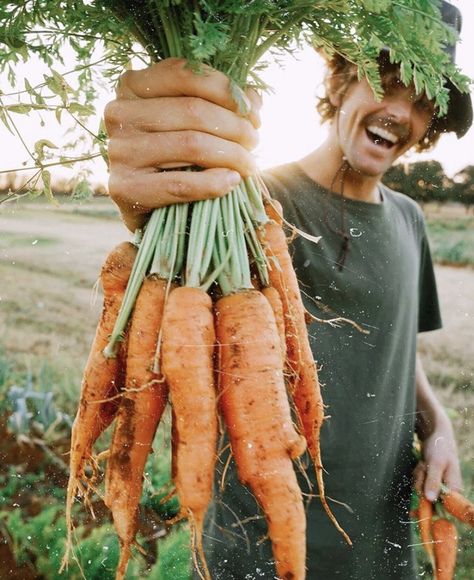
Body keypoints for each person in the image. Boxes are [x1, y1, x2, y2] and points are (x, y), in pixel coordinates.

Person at [104, 2, 472, 577]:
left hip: (383, 533)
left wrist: (439, 426)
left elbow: (399, 351)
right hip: (265, 540)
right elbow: (172, 222)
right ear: (340, 79)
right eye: (390, 81)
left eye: (424, 101)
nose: (400, 111)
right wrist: (155, 185)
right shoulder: (250, 198)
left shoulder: (410, 220)